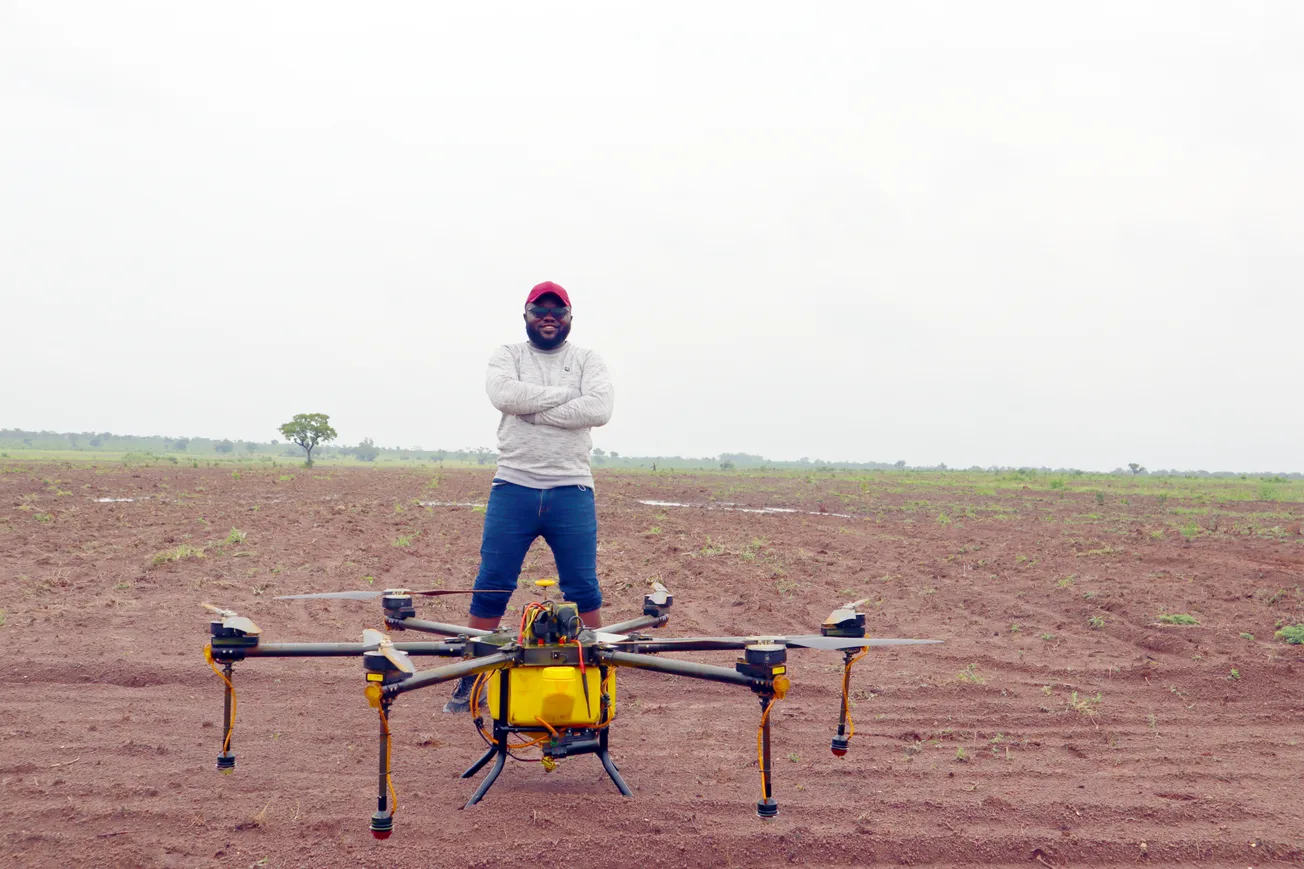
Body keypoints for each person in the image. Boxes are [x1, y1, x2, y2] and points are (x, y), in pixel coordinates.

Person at [444, 281, 615, 713]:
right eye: (540, 309)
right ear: (526, 314)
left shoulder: (587, 359)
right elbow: (502, 395)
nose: (549, 316)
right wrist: (565, 398)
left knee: (583, 588)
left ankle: (598, 680)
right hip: (513, 486)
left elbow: (600, 409)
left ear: (570, 316)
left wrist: (531, 408)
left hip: (571, 488)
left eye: (557, 310)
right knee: (491, 585)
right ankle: (471, 681)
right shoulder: (508, 356)